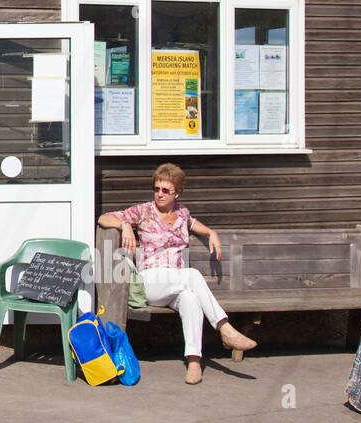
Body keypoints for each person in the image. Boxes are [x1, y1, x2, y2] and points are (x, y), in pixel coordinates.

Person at [97, 163, 256, 384]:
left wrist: (211, 232)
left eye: (165, 190)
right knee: (191, 275)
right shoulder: (144, 212)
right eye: (156, 189)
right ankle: (223, 327)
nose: (159, 194)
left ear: (177, 193)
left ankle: (194, 362)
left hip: (175, 285)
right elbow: (103, 218)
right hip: (151, 281)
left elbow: (192, 223)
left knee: (190, 298)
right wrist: (124, 224)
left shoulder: (182, 213)